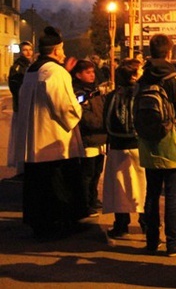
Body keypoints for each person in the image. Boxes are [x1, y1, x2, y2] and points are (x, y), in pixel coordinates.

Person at [17, 26, 86, 240]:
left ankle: (39, 224)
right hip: (53, 142)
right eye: (62, 49)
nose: (64, 54)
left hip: (34, 141)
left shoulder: (32, 71)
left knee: (37, 186)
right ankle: (58, 224)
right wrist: (79, 107)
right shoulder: (56, 72)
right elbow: (65, 107)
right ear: (56, 50)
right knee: (57, 186)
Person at [137, 34, 176, 256]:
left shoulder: (141, 81)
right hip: (173, 143)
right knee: (173, 193)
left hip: (148, 143)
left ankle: (151, 240)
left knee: (151, 192)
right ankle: (174, 241)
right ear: (170, 53)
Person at [102, 58, 147, 238]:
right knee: (143, 189)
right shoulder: (142, 94)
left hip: (117, 147)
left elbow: (105, 120)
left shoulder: (113, 96)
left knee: (119, 189)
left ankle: (121, 225)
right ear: (134, 75)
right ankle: (146, 224)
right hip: (139, 146)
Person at [72, 59, 107, 217]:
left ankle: (93, 199)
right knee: (87, 173)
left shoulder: (96, 91)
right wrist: (102, 124)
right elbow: (85, 117)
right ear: (78, 75)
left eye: (93, 72)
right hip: (88, 139)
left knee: (97, 172)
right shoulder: (79, 93)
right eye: (88, 72)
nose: (92, 75)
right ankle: (84, 204)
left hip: (100, 139)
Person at [7, 40, 34, 174]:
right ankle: (21, 168)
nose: (28, 52)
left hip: (29, 109)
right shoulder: (17, 68)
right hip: (21, 109)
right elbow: (16, 89)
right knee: (21, 139)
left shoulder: (32, 65)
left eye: (30, 49)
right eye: (25, 50)